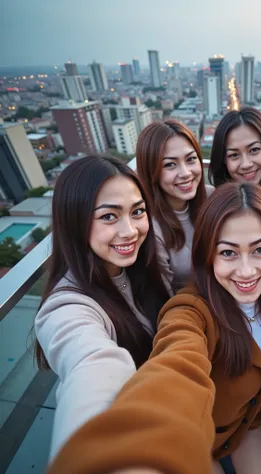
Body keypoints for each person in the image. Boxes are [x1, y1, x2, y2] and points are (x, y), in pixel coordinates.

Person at [47, 183, 261, 474]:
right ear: (207, 256)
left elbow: (253, 419)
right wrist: (127, 448)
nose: (246, 270)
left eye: (260, 250)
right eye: (228, 253)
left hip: (243, 435)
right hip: (198, 448)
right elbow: (176, 366)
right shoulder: (191, 312)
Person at [34, 156, 169, 460]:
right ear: (75, 221)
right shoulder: (67, 306)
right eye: (109, 217)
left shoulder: (140, 264)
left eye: (138, 212)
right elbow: (93, 364)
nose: (130, 230)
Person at [136, 120, 214, 295]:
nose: (186, 173)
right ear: (151, 171)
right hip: (191, 310)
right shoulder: (151, 227)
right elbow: (165, 294)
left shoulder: (212, 197)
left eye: (191, 159)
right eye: (170, 164)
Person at [208, 107, 261, 194]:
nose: (246, 164)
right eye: (234, 155)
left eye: (254, 150)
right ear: (223, 160)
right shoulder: (217, 204)